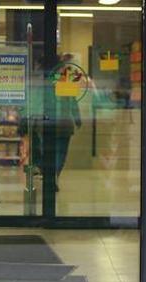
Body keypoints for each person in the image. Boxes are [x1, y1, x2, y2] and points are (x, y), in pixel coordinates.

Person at [54, 53, 82, 192]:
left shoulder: (50, 78)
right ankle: (55, 176)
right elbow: (72, 102)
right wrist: (78, 120)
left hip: (50, 121)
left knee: (52, 151)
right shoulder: (66, 78)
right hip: (64, 123)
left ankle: (51, 176)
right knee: (61, 153)